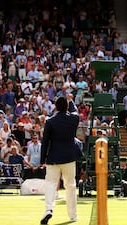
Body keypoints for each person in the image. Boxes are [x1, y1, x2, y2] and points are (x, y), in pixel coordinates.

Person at [40, 96, 80, 224]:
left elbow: (45, 142)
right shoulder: (73, 118)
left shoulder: (50, 121)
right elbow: (75, 111)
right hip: (69, 157)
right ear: (67, 107)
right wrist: (71, 101)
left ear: (55, 107)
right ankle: (73, 216)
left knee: (50, 184)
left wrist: (42, 159)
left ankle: (49, 209)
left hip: (53, 158)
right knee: (71, 186)